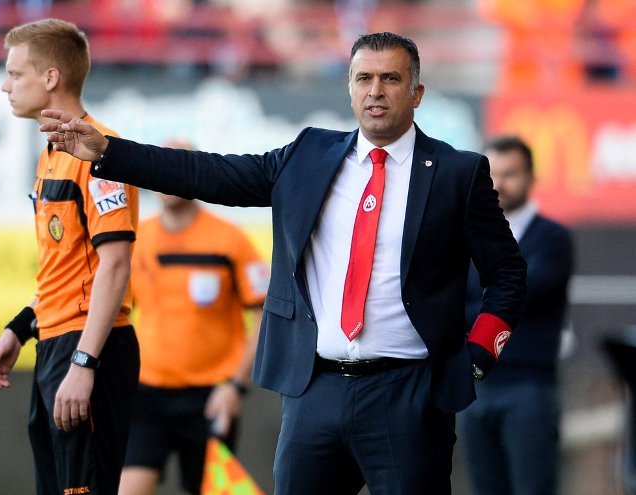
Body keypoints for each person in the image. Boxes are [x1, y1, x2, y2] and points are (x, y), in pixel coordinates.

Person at [40, 32, 527, 495]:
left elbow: (507, 273)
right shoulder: (309, 155)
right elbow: (208, 173)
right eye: (364, 78)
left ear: (417, 93)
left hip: (409, 393)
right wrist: (110, 151)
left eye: (391, 79)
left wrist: (477, 359)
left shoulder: (458, 172)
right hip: (315, 390)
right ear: (350, 88)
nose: (375, 90)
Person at [0, 18, 140, 495]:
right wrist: (20, 328)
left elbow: (115, 265)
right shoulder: (51, 153)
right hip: (55, 343)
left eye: (15, 74)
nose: (6, 86)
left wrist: (84, 362)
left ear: (51, 77)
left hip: (88, 346)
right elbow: (67, 267)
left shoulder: (100, 153)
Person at [121, 141, 269, 494]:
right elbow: (114, 312)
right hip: (146, 392)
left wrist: (235, 386)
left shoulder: (230, 239)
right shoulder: (136, 238)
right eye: (161, 167)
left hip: (210, 397)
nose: (167, 177)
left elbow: (265, 316)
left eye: (177, 165)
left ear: (194, 172)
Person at [459, 135, 574, 495]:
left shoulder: (551, 238)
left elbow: (520, 297)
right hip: (475, 387)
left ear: (530, 178)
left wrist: (480, 305)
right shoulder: (468, 238)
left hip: (529, 387)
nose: (498, 184)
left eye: (510, 174)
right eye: (491, 174)